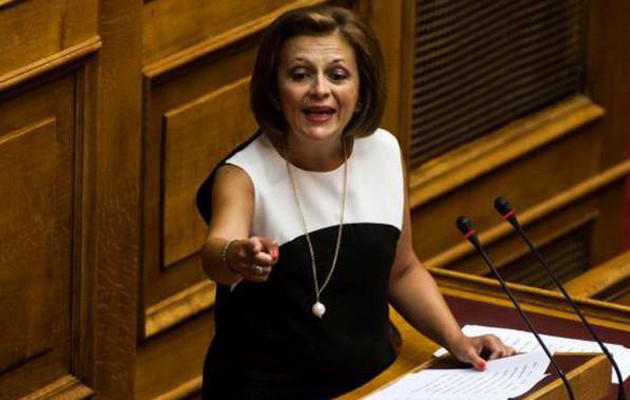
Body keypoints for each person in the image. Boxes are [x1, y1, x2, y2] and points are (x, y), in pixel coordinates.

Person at [196, 4, 514, 399]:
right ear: (275, 92)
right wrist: (237, 256)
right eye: (300, 75)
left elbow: (403, 271)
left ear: (361, 91)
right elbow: (215, 255)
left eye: (337, 75)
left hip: (373, 386)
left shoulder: (383, 151)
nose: (319, 89)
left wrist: (457, 340)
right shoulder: (243, 174)